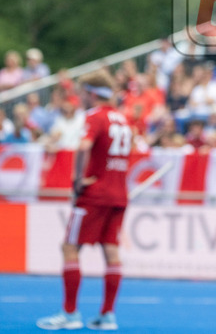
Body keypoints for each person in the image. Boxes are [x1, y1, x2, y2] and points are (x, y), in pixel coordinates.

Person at [37, 71, 131, 331]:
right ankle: (108, 315)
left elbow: (83, 146)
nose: (79, 99)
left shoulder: (94, 116)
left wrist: (78, 179)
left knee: (70, 247)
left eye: (81, 93)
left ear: (91, 93)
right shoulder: (123, 119)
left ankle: (69, 313)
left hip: (95, 194)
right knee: (111, 250)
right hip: (118, 193)